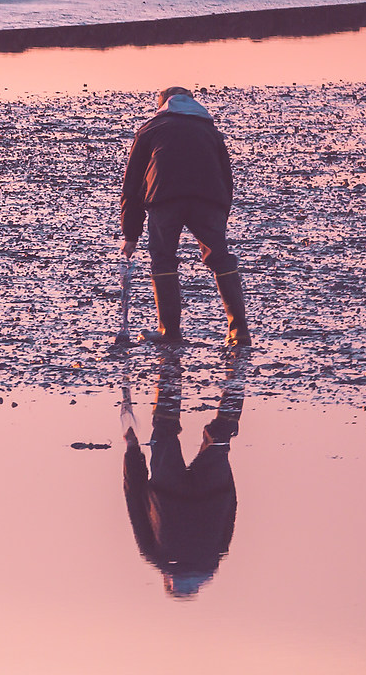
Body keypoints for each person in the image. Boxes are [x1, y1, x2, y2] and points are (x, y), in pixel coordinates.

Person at [120, 86, 250, 347]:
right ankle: (239, 332)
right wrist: (221, 216)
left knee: (163, 259)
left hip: (164, 199)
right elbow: (227, 178)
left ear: (162, 104)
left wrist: (130, 234)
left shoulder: (149, 129)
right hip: (209, 199)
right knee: (220, 259)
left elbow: (131, 185)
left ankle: (170, 332)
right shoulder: (211, 132)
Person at [121, 353, 245, 597]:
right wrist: (132, 451)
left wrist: (225, 482)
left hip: (213, 494)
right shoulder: (155, 556)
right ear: (167, 581)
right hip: (167, 493)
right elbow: (134, 500)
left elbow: (230, 514)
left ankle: (238, 368)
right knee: (164, 431)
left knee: (220, 439)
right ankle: (169, 364)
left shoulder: (214, 558)